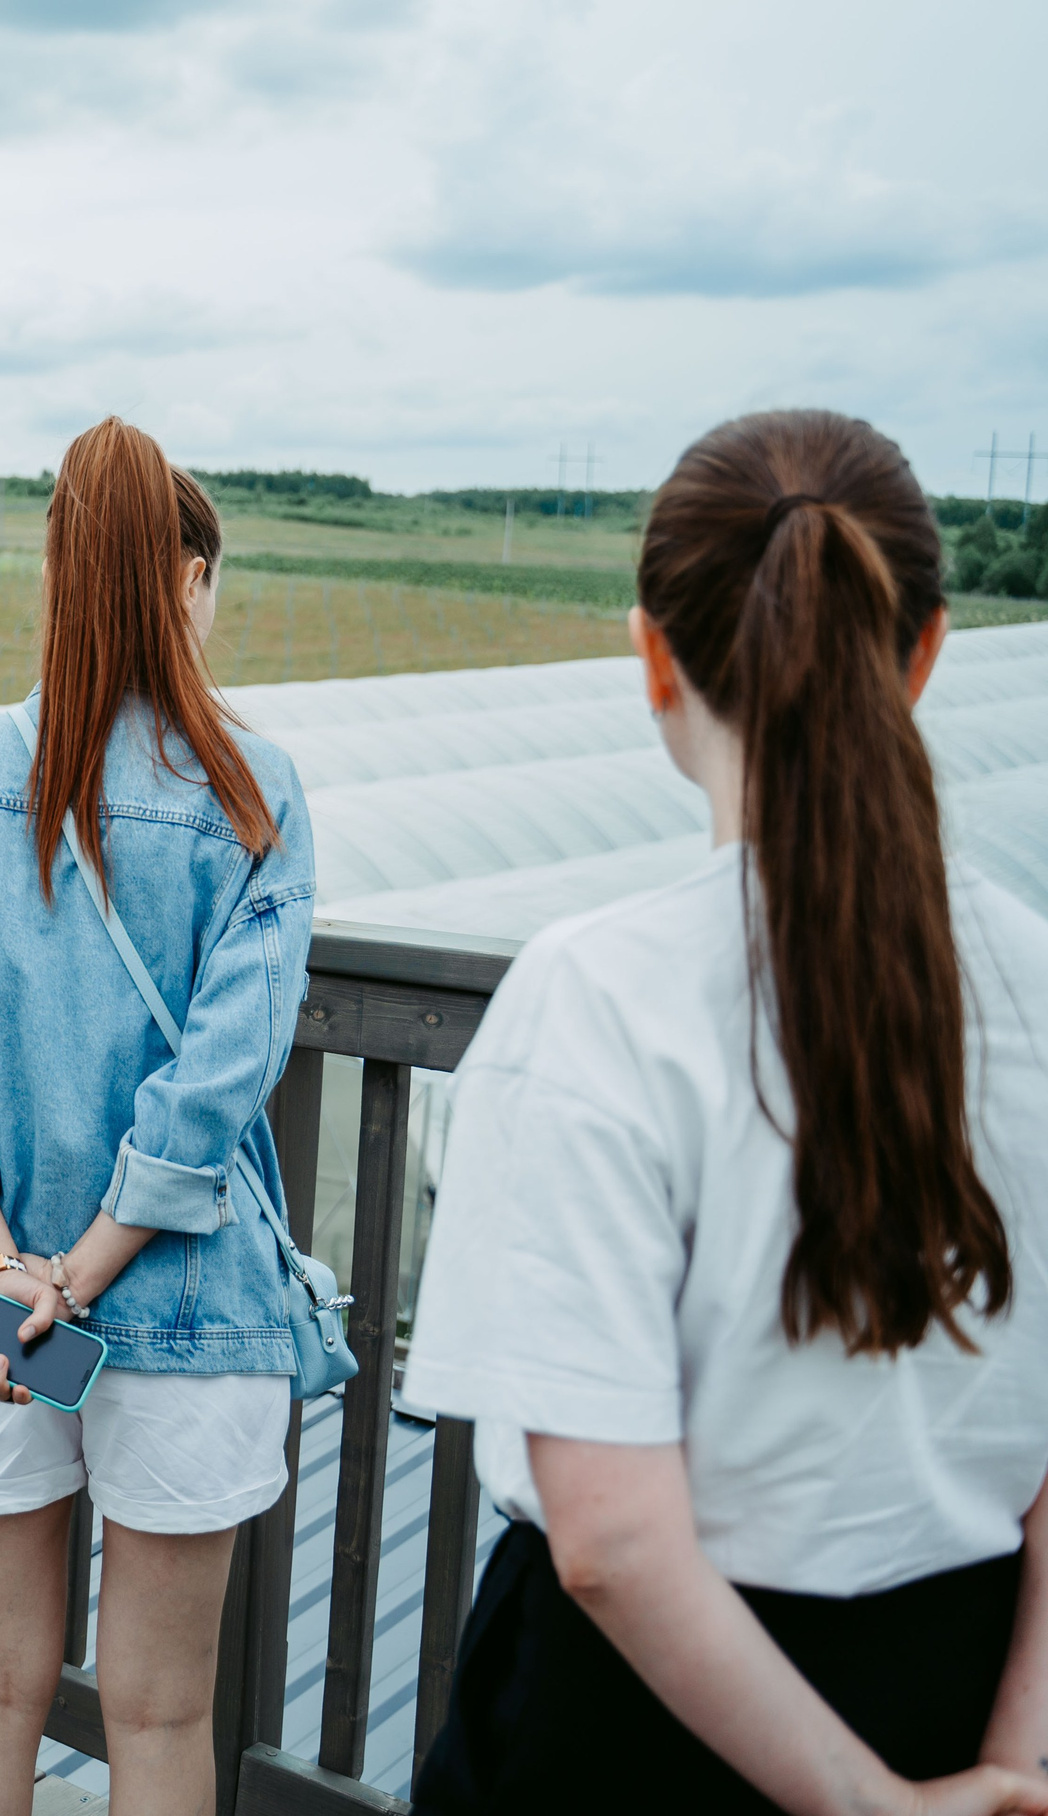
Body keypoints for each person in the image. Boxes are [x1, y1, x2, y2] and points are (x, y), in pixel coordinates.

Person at [403, 410, 1048, 1816]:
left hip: (635, 1728)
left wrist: (865, 1807)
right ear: (926, 651)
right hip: (956, 1671)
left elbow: (614, 1545)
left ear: (654, 657)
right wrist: (1008, 1756)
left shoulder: (598, 997)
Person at [0, 418, 316, 1816]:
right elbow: (219, 1084)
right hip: (185, 1305)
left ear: (59, 576)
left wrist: (5, 1270)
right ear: (185, 584)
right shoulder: (249, 788)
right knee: (164, 1713)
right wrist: (86, 1274)